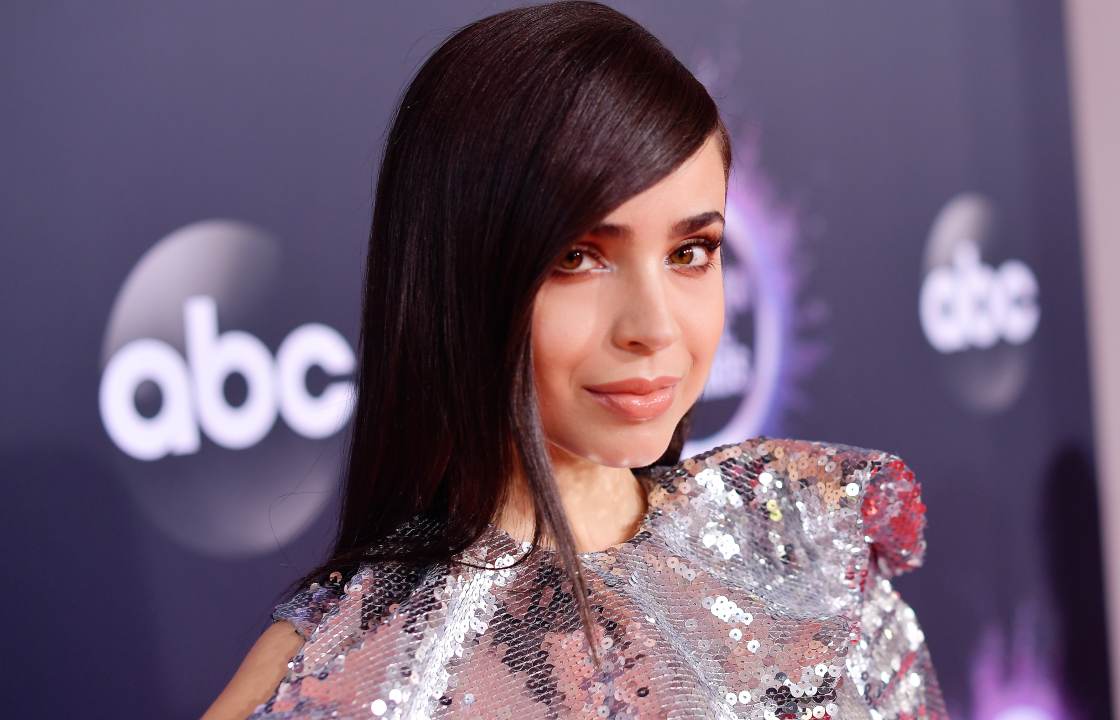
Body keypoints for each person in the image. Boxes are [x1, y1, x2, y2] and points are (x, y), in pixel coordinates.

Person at [203, 2, 948, 718]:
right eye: (578, 257)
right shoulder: (345, 673)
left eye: (690, 252)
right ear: (458, 276)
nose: (654, 327)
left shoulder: (799, 551)